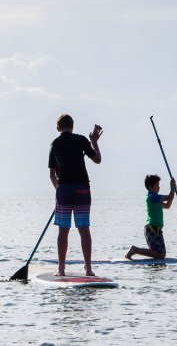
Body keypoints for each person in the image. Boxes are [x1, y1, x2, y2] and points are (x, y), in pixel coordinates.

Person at [48, 114, 102, 276]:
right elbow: (97, 160)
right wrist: (94, 142)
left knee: (63, 230)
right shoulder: (81, 140)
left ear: (58, 128)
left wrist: (59, 190)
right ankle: (88, 268)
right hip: (82, 189)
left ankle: (61, 269)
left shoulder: (55, 144)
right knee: (83, 229)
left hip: (64, 189)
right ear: (72, 126)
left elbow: (52, 175)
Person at [125, 175, 176, 260]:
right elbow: (170, 196)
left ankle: (136, 250)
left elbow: (167, 205)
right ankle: (135, 250)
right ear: (150, 187)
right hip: (151, 228)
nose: (159, 187)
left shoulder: (156, 198)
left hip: (158, 229)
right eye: (157, 185)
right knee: (159, 254)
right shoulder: (152, 197)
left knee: (162, 254)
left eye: (159, 185)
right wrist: (172, 187)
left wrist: (173, 190)